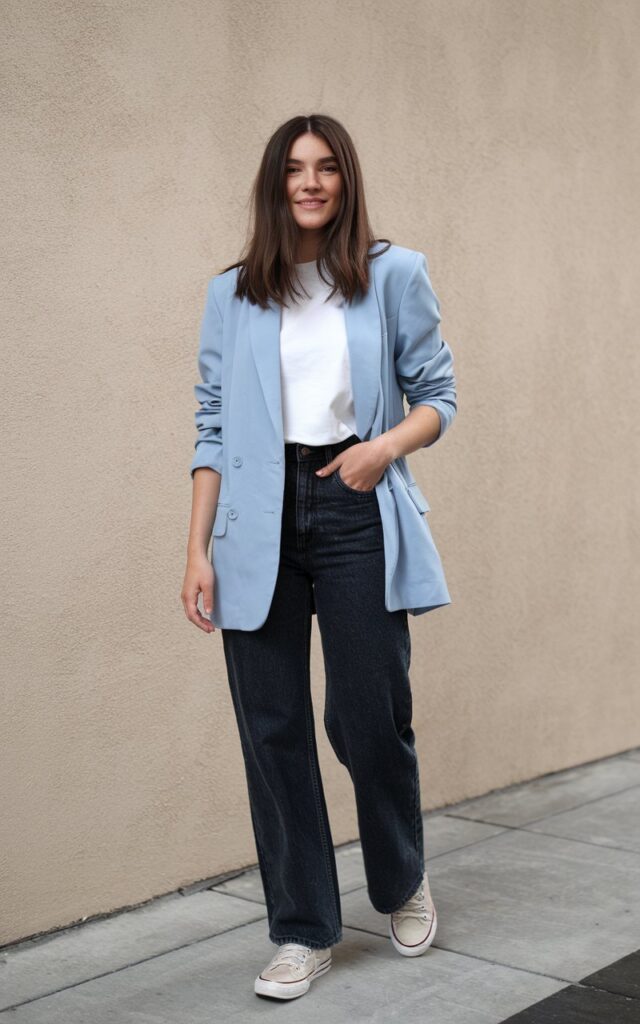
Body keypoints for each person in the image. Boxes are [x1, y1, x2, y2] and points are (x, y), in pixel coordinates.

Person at [182, 113, 457, 1002]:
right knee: (272, 730)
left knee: (369, 716)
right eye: (295, 169)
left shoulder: (393, 274)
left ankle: (401, 878)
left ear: (346, 181)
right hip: (254, 522)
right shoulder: (233, 294)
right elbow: (211, 427)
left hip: (354, 504)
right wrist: (196, 550)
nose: (310, 182)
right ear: (275, 183)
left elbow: (439, 397)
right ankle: (302, 929)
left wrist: (382, 450)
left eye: (327, 167)